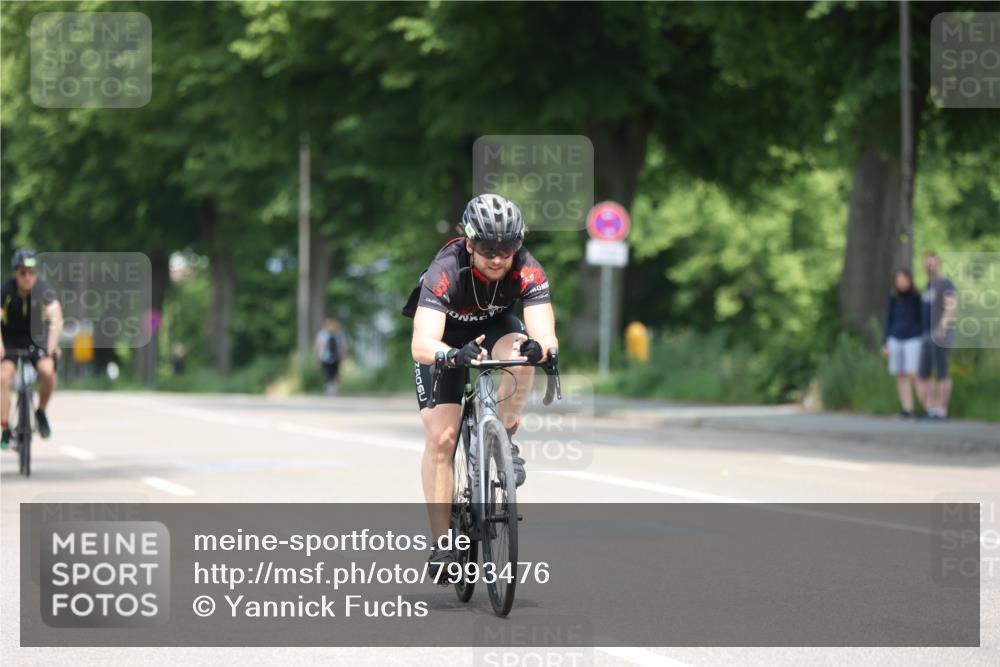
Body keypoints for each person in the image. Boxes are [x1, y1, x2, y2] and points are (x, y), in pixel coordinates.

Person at [402, 194, 559, 580]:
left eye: (507, 248)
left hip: (496, 328)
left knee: (522, 354)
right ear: (470, 243)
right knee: (442, 438)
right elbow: (421, 344)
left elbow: (546, 335)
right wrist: (451, 355)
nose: (498, 258)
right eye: (488, 248)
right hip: (446, 341)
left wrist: (541, 350)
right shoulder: (445, 270)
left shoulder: (527, 268)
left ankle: (503, 436)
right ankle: (442, 543)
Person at [1, 249, 63, 449]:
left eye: (31, 272)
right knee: (3, 377)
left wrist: (52, 347)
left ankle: (41, 412)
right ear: (15, 273)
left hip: (37, 339)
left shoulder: (44, 288)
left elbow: (56, 319)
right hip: (10, 339)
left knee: (48, 371)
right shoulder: (6, 290)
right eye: (22, 272)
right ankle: (5, 427)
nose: (27, 277)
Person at [917, 252, 957, 420]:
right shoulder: (927, 286)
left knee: (942, 373)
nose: (930, 266)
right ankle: (931, 408)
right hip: (925, 334)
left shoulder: (945, 283)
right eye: (927, 263)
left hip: (940, 333)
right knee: (923, 374)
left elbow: (951, 306)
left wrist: (942, 327)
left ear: (938, 264)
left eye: (932, 263)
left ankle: (942, 409)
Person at [880, 269, 922, 418]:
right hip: (895, 338)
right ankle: (907, 408)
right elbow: (889, 320)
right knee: (901, 374)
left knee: (914, 373)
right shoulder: (894, 297)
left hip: (913, 338)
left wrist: (921, 336)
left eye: (903, 280)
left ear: (909, 280)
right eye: (898, 281)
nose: (901, 283)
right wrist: (885, 342)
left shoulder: (916, 297)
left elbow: (922, 318)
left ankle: (927, 407)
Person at [314, 318, 346, 396]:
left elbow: (342, 346)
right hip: (325, 357)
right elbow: (318, 346)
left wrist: (342, 356)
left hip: (336, 357)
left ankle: (334, 389)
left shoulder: (339, 335)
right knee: (327, 373)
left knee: (335, 372)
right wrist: (317, 358)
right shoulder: (322, 334)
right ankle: (329, 388)